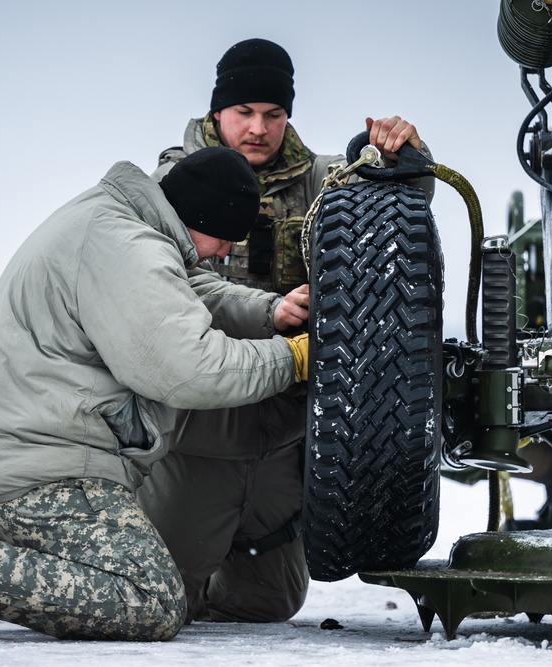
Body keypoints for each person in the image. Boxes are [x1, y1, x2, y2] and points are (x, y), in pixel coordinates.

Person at [0, 147, 311, 642]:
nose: (220, 254)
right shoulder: (128, 247)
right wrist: (292, 359)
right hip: (45, 469)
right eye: (222, 239)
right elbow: (191, 369)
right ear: (196, 217)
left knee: (144, 588)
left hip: (28, 451)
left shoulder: (119, 223)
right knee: (153, 599)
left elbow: (186, 291)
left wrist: (269, 312)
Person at [138, 37, 434, 624]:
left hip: (282, 432)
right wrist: (269, 310)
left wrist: (407, 155)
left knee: (269, 602)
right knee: (158, 600)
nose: (257, 128)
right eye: (243, 112)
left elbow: (404, 204)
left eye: (273, 114)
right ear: (216, 112)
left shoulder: (325, 181)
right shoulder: (174, 187)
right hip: (200, 434)